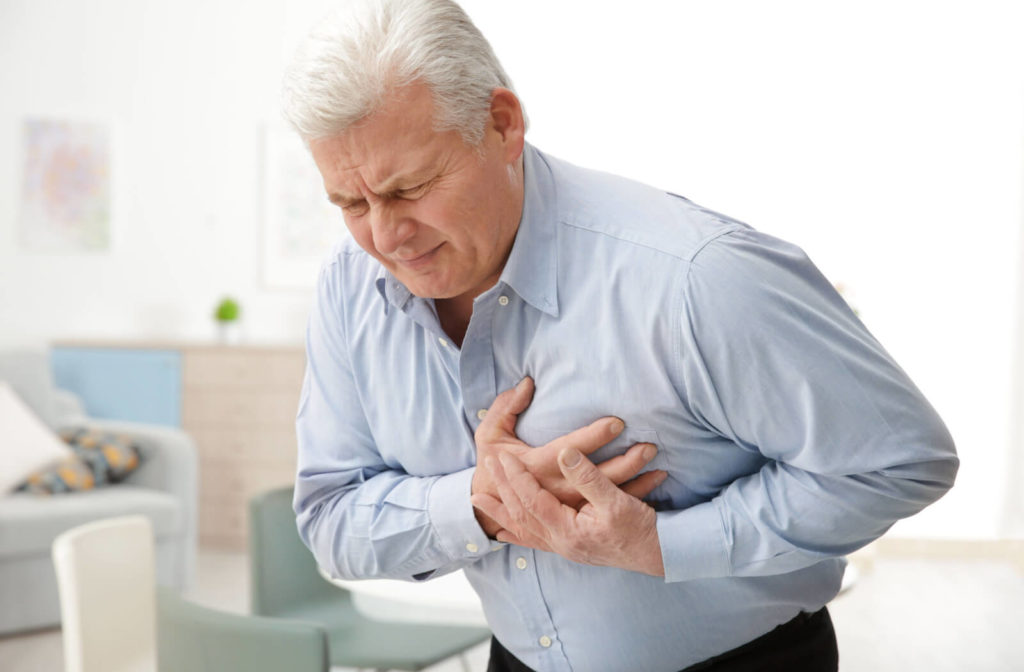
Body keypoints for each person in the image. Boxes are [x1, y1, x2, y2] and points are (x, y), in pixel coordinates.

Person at [283, 1, 958, 670]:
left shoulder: (698, 277)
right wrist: (479, 500)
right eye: (350, 204)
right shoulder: (351, 288)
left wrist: (664, 543)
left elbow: (899, 461)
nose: (386, 236)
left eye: (411, 187)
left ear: (502, 125)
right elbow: (331, 522)